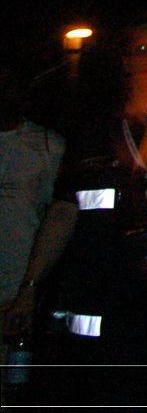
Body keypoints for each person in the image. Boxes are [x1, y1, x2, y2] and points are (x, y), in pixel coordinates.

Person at [12, 12, 147, 403]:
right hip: (106, 308)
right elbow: (64, 212)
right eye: (141, 49)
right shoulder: (93, 133)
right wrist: (29, 288)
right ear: (125, 60)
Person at [0, 60, 65, 338]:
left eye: (9, 86)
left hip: (18, 291)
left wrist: (30, 289)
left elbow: (57, 215)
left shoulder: (48, 145)